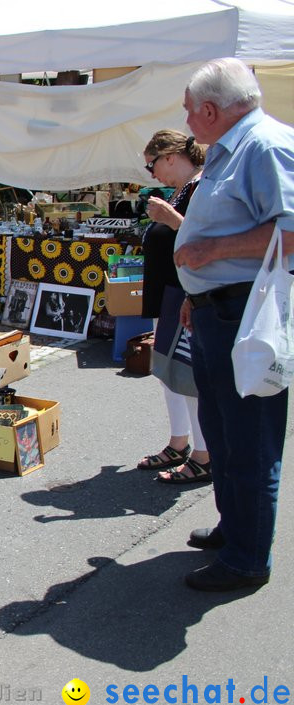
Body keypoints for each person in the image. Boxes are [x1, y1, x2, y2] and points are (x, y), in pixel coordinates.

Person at [172, 58, 294, 591]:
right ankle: (236, 529)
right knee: (223, 434)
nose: (185, 119)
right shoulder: (234, 147)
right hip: (219, 309)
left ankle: (248, 558)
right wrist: (197, 294)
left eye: (188, 110)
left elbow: (291, 232)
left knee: (249, 441)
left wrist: (212, 253)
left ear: (210, 109)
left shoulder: (264, 145)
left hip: (245, 313)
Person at [134, 130, 211, 485]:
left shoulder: (201, 187)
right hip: (168, 292)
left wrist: (170, 219)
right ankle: (179, 442)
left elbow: (204, 242)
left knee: (185, 374)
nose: (151, 174)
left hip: (184, 293)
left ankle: (203, 453)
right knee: (169, 374)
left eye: (152, 164)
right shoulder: (183, 190)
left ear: (169, 156)